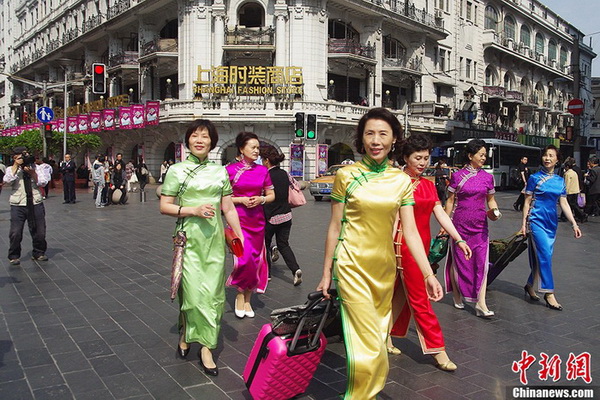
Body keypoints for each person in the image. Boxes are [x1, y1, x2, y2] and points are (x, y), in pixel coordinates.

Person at [317, 108, 443, 399]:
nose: (376, 140)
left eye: (383, 134)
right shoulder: (347, 175)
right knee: (365, 341)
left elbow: (410, 233)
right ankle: (360, 396)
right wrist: (326, 273)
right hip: (351, 264)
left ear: (394, 139)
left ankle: (367, 392)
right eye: (370, 133)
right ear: (361, 138)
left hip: (384, 270)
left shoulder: (401, 181)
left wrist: (427, 275)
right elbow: (335, 227)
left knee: (376, 337)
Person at [160, 119, 243, 376]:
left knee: (214, 296)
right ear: (188, 140)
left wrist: (240, 241)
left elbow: (228, 208)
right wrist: (192, 210)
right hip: (189, 239)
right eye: (195, 135)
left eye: (205, 136)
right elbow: (165, 206)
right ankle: (187, 331)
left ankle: (207, 346)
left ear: (212, 142)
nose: (199, 140)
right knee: (194, 295)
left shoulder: (220, 172)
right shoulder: (176, 170)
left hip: (215, 241)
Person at [389, 133, 472, 372]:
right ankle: (438, 349)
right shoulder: (397, 181)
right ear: (406, 158)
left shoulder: (427, 184)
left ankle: (384, 336)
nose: (423, 162)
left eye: (426, 158)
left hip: (422, 247)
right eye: (418, 157)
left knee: (398, 295)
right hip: (402, 246)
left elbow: (440, 213)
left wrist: (458, 238)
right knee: (420, 298)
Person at [520, 146, 582, 311]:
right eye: (545, 156)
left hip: (551, 223)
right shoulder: (534, 178)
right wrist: (523, 224)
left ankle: (529, 285)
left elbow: (564, 203)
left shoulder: (560, 181)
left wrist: (574, 224)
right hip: (536, 221)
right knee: (545, 256)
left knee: (541, 257)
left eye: (551, 156)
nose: (547, 158)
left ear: (557, 160)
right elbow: (526, 203)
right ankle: (549, 293)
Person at [444, 139, 500, 318]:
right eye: (481, 155)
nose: (484, 158)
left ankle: (481, 303)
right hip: (460, 225)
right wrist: (445, 224)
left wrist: (495, 211)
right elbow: (450, 200)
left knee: (481, 263)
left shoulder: (488, 178)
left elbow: (490, 201)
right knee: (460, 262)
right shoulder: (457, 176)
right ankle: (457, 294)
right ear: (470, 156)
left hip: (480, 226)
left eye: (485, 155)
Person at [225, 132, 275, 319]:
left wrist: (261, 198)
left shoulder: (263, 171)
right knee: (243, 260)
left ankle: (248, 298)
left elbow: (271, 195)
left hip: (258, 221)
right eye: (252, 147)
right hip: (238, 220)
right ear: (241, 148)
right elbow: (224, 198)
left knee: (255, 261)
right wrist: (242, 200)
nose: (257, 151)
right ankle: (239, 295)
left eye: (258, 148)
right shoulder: (230, 170)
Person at [260, 147, 302, 286]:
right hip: (286, 215)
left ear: (266, 161)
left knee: (264, 245)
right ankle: (295, 269)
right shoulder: (285, 173)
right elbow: (297, 186)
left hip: (270, 217)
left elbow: (261, 193)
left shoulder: (265, 175)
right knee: (284, 245)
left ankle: (267, 274)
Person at [3, 147, 51, 264]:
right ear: (15, 158)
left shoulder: (38, 168)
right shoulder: (11, 169)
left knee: (39, 230)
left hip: (35, 202)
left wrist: (32, 173)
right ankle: (14, 255)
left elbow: (43, 182)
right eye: (20, 157)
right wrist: (16, 166)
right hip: (18, 204)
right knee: (15, 232)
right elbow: (7, 180)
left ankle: (39, 252)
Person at [561, 158, 587, 223]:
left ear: (567, 167)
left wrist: (564, 191)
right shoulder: (574, 172)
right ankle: (564, 216)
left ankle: (582, 214)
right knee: (572, 204)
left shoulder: (567, 174)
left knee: (572, 205)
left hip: (570, 191)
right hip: (575, 190)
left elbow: (566, 183)